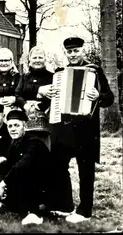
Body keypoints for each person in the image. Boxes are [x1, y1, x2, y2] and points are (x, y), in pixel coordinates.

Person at [48, 37, 114, 223]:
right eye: (69, 51)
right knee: (59, 165)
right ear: (66, 53)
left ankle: (85, 210)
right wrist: (52, 93)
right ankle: (64, 205)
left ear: (82, 51)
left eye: (76, 50)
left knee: (86, 170)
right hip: (65, 129)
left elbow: (109, 97)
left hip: (86, 129)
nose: (73, 54)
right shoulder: (60, 73)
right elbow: (55, 99)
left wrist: (98, 95)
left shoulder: (94, 71)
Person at [0, 109, 50, 225]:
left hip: (45, 186)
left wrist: (3, 183)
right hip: (27, 184)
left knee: (25, 173)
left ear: (24, 126)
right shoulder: (14, 143)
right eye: (10, 126)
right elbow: (8, 166)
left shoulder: (33, 142)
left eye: (16, 125)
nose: (13, 129)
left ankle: (33, 213)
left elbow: (22, 165)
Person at [15, 46, 54, 150]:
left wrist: (39, 106)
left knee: (43, 146)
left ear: (45, 59)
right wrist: (26, 105)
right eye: (35, 58)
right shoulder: (24, 77)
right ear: (29, 60)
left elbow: (53, 96)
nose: (37, 60)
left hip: (44, 116)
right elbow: (17, 95)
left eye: (40, 57)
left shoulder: (52, 77)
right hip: (26, 115)